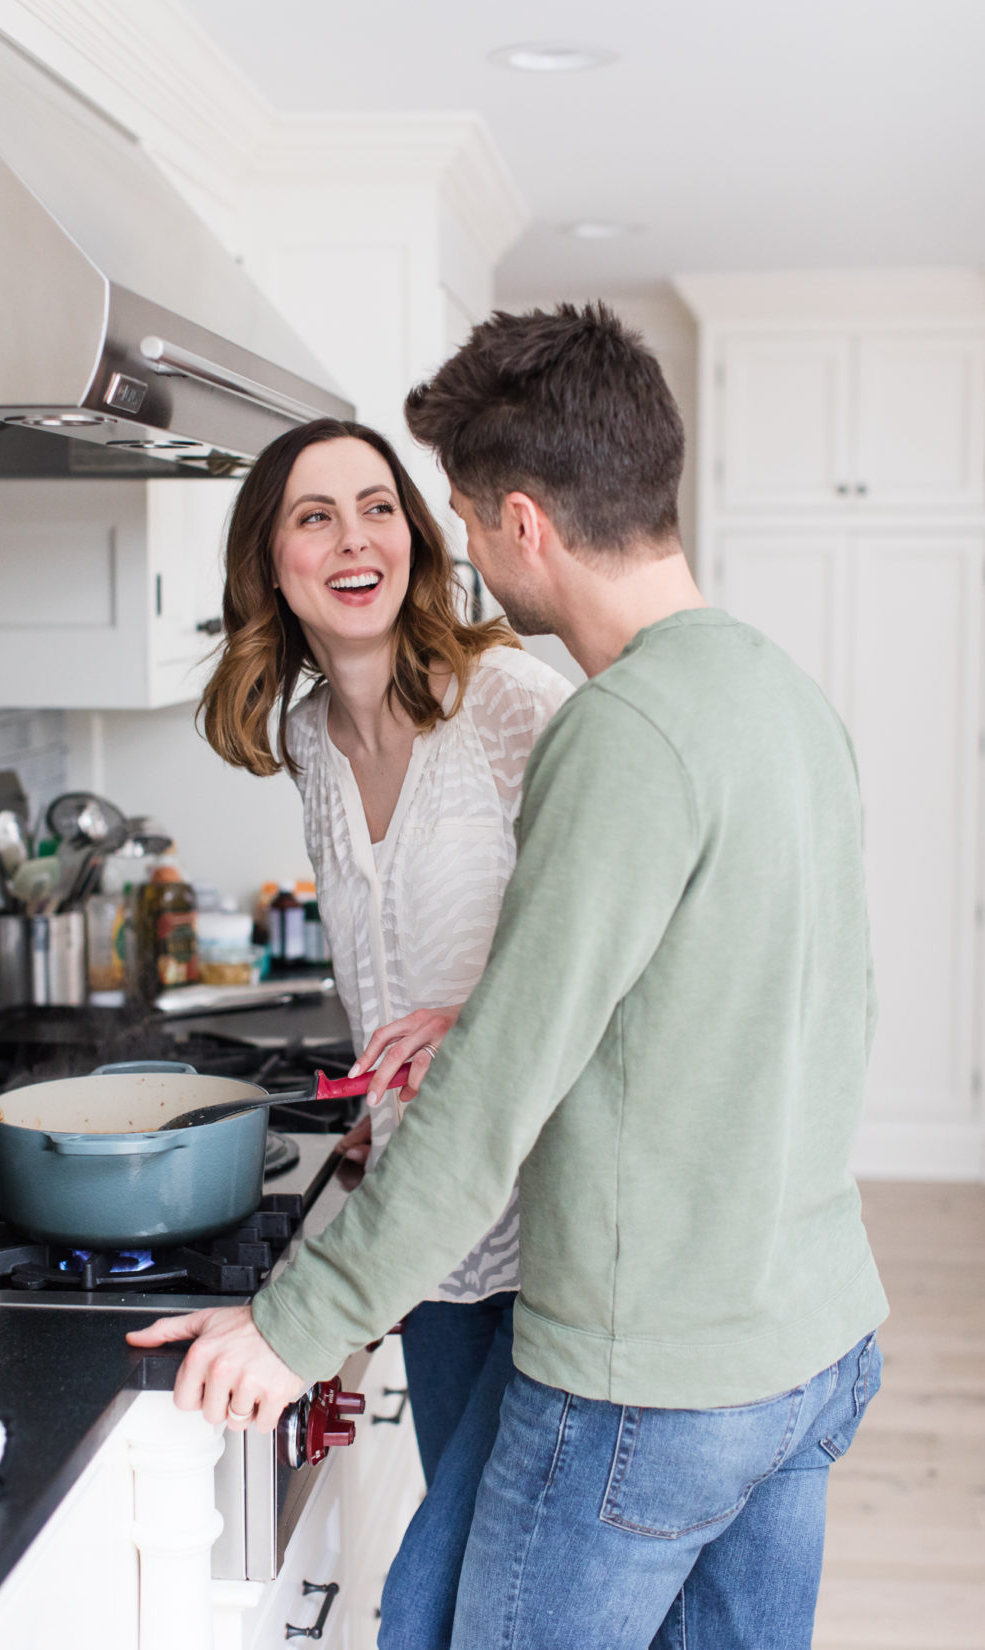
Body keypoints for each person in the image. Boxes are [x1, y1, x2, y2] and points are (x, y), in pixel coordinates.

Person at [130, 305, 889, 1650]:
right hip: (807, 1332)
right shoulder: (781, 693)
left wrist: (296, 1326)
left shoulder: (609, 729)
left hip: (649, 1366)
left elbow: (495, 1095)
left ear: (524, 522)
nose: (456, 550)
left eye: (460, 518)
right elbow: (800, 1011)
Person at [171, 415, 570, 1645]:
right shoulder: (306, 741)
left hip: (552, 1219)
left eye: (377, 506)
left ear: (414, 533)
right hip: (424, 1239)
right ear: (272, 564)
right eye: (314, 515)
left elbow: (616, 931)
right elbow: (377, 965)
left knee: (443, 1605)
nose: (355, 540)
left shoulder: (508, 701)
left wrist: (478, 1016)